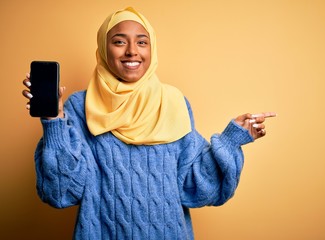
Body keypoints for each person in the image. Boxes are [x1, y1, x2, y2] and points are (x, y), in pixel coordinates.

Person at [22, 7, 276, 240]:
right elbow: (61, 192)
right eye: (119, 41)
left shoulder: (174, 102)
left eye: (142, 42)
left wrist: (231, 140)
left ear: (151, 49)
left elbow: (193, 187)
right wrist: (53, 120)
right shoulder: (79, 107)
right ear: (103, 49)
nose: (132, 51)